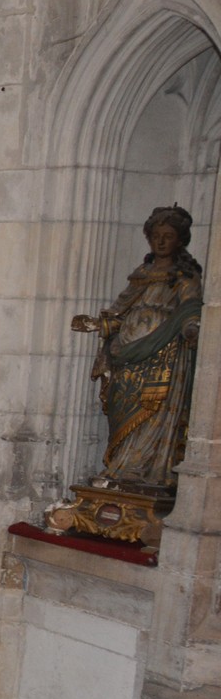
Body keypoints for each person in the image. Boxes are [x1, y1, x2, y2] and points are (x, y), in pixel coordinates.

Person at [71, 205, 203, 489]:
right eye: (156, 235)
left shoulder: (184, 277)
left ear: (180, 240)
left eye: (168, 235)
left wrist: (191, 328)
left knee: (153, 413)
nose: (161, 241)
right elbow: (120, 315)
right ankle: (120, 466)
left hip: (162, 358)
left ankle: (146, 470)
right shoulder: (141, 274)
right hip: (127, 359)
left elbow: (192, 310)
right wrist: (99, 325)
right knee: (123, 414)